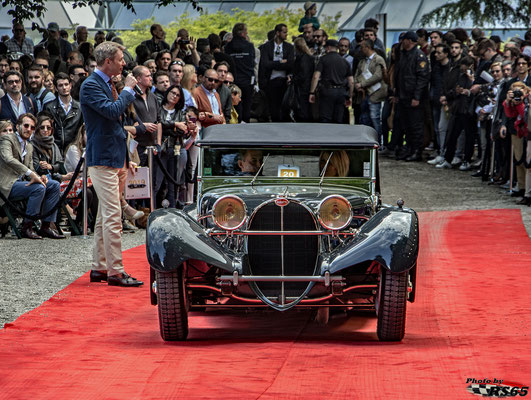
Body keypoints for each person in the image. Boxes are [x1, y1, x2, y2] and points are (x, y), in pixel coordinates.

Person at [79, 41, 143, 287]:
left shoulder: (105, 83)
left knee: (105, 216)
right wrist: (126, 90)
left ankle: (100, 267)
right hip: (103, 157)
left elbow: (117, 119)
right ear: (108, 62)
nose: (124, 63)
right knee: (113, 214)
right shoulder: (90, 85)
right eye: (120, 59)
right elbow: (111, 111)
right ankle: (116, 271)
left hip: (114, 155)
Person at [0, 113, 64, 239]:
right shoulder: (7, 139)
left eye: (32, 127)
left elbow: (31, 168)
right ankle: (27, 227)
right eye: (26, 125)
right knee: (38, 188)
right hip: (6, 185)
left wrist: (40, 177)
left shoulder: (29, 146)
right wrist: (31, 174)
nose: (29, 129)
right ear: (18, 126)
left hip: (22, 183)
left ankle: (46, 227)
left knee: (54, 185)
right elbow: (8, 159)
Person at [393, 31, 430, 161]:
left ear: (410, 41)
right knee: (406, 125)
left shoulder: (419, 56)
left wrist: (417, 97)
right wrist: (396, 93)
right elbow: (399, 75)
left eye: (405, 40)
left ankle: (416, 151)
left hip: (413, 97)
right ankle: (408, 149)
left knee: (416, 125)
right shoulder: (403, 54)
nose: (402, 42)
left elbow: (422, 78)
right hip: (403, 95)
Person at [309, 39, 354, 123]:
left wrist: (312, 92)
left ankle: (326, 135)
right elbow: (351, 81)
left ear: (328, 48)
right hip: (341, 92)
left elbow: (316, 76)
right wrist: (350, 96)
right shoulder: (345, 61)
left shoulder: (323, 59)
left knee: (325, 118)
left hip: (327, 91)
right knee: (338, 119)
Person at [354, 39, 387, 143]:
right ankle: (366, 142)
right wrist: (356, 84)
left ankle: (378, 142)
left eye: (362, 47)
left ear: (367, 47)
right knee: (364, 118)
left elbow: (378, 76)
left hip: (375, 94)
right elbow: (357, 74)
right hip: (364, 94)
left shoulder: (378, 59)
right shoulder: (362, 61)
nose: (361, 49)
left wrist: (362, 84)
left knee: (375, 118)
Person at [259, 24, 294, 122]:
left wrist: (274, 63)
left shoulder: (289, 47)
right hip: (270, 81)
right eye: (284, 32)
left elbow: (290, 64)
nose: (286, 34)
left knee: (283, 106)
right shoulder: (266, 47)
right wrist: (280, 62)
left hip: (284, 81)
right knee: (272, 106)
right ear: (278, 33)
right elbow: (265, 64)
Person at [159, 85, 187, 208]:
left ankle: (172, 209)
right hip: (161, 148)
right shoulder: (159, 109)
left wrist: (166, 128)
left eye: (177, 95)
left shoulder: (181, 113)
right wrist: (174, 124)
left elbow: (181, 132)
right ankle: (154, 207)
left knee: (173, 181)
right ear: (167, 93)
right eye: (173, 93)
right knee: (158, 181)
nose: (174, 96)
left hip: (175, 148)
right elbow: (159, 123)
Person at [43, 72, 84, 155]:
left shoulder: (80, 107)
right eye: (61, 85)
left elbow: (82, 129)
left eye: (66, 84)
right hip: (55, 149)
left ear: (70, 85)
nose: (64, 88)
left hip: (74, 149)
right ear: (56, 88)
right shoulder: (49, 107)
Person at [224, 23, 255, 123]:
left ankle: (235, 121)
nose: (247, 33)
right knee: (246, 103)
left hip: (234, 79)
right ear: (242, 33)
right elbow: (252, 62)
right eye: (246, 31)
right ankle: (245, 122)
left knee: (234, 103)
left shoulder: (228, 47)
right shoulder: (249, 46)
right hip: (247, 79)